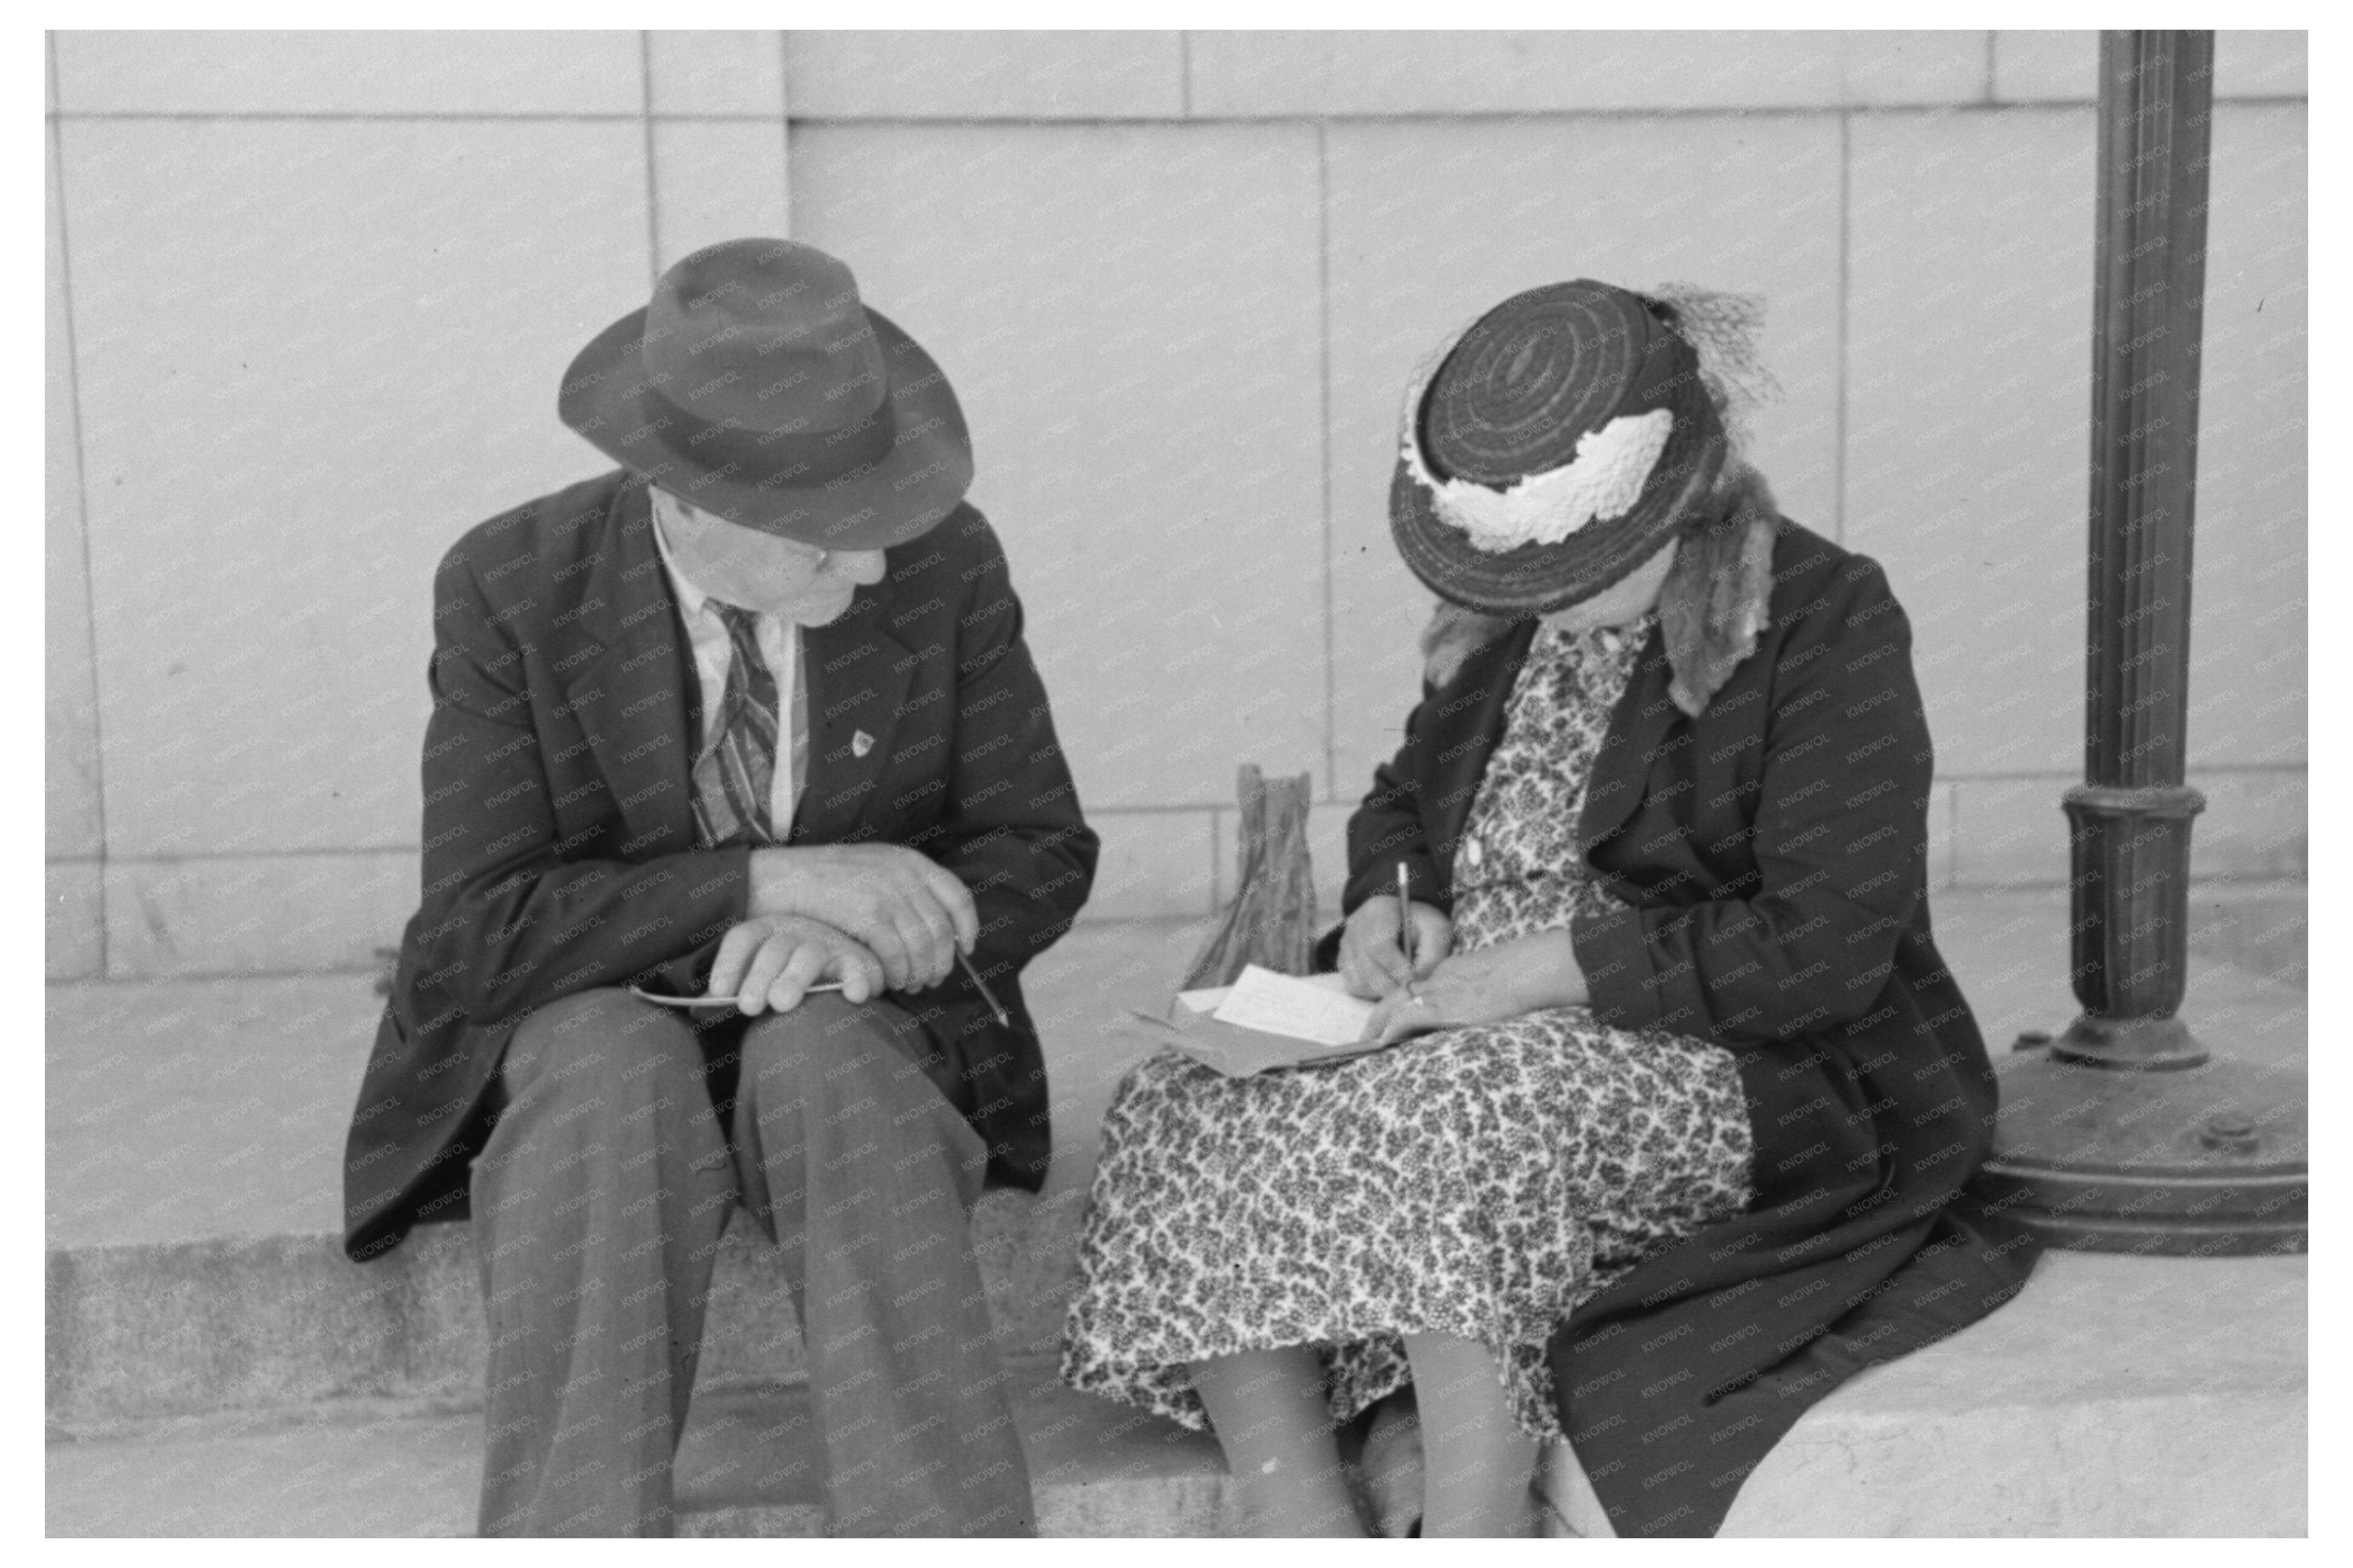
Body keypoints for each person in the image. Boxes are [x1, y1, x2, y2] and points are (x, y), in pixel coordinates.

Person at [1059, 280, 2039, 1538]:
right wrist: (1389, 907)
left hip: (1727, 1053)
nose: (1541, 594)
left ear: (1678, 498)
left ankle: (1475, 1530)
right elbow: (1401, 804)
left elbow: (1825, 951)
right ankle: (1297, 1525)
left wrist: (1541, 971)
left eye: (1579, 568)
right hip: (1467, 1013)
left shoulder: (1821, 618)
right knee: (1180, 1098)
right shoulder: (1501, 619)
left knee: (1471, 1105)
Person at [340, 237, 1098, 1536]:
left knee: (835, 1075)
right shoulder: (512, 586)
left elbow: (1037, 847)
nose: (864, 572)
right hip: (597, 1009)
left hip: (849, 1019)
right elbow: (470, 937)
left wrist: (871, 940)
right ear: (677, 496)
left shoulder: (944, 557)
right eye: (821, 547)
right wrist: (757, 884)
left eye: (876, 528)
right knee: (603, 1082)